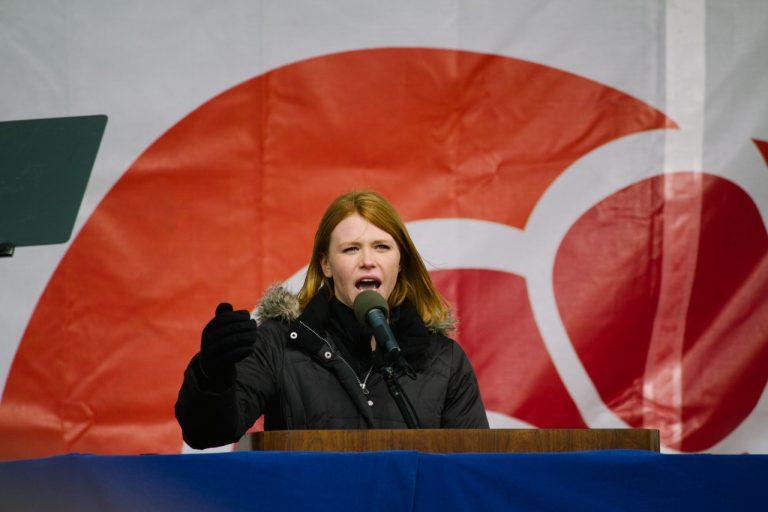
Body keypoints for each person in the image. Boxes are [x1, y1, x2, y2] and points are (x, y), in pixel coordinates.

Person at [175, 190, 488, 449]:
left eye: (381, 246)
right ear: (326, 265)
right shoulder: (279, 342)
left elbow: (474, 475)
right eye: (351, 249)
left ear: (401, 262)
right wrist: (212, 373)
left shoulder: (444, 361)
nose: (368, 261)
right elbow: (206, 432)